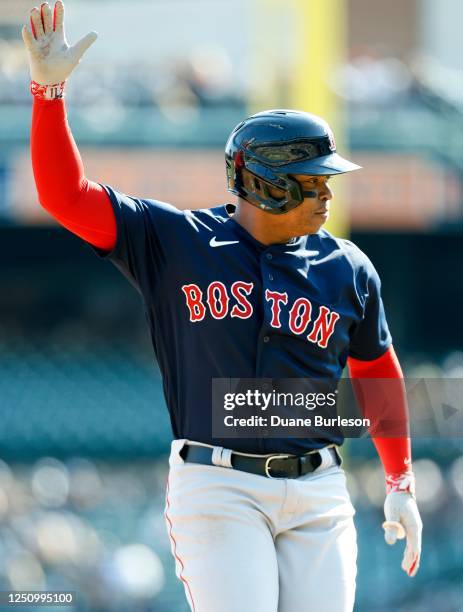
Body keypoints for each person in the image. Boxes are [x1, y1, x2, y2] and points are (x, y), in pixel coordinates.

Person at [22, 3, 422, 611]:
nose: (328, 190)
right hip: (218, 484)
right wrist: (48, 93)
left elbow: (376, 372)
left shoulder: (347, 267)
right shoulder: (176, 241)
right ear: (268, 182)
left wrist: (400, 481)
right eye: (314, 179)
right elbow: (63, 196)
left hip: (318, 488)